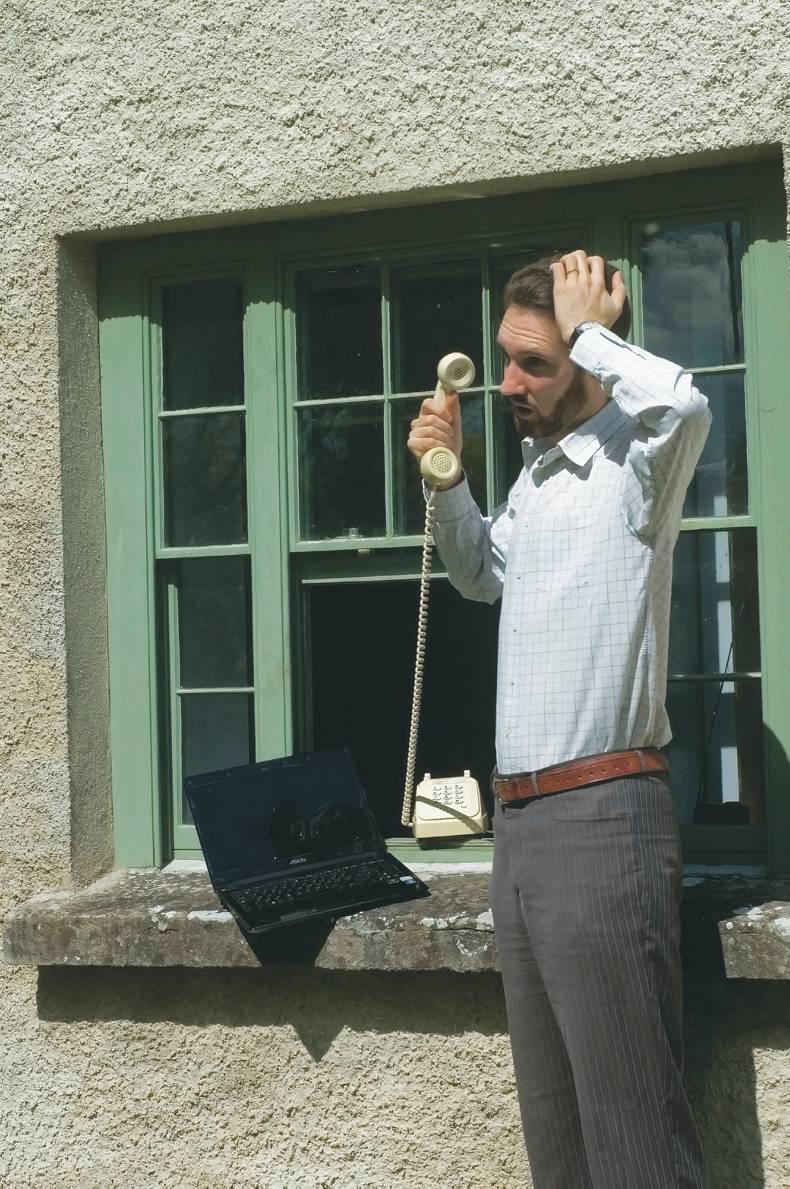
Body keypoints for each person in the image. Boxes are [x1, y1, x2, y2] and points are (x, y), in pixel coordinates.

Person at [406, 250, 710, 1189]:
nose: (508, 383)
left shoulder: (636, 463)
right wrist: (447, 479)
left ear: (588, 359)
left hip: (603, 820)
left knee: (635, 1138)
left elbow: (685, 407)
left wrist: (592, 334)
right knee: (558, 1134)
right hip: (521, 828)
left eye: (535, 363)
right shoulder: (538, 476)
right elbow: (478, 574)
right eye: (506, 358)